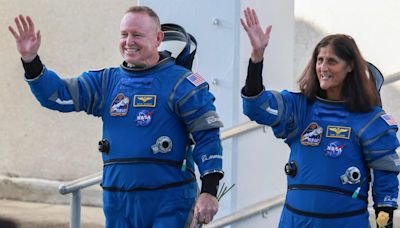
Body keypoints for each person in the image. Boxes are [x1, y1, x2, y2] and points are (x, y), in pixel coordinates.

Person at [9, 6, 224, 227]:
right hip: (118, 203)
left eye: (137, 35)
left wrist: (209, 191)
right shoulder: (106, 82)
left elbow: (207, 137)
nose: (129, 41)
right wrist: (31, 61)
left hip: (170, 203)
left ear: (158, 38)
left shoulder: (183, 84)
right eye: (124, 34)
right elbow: (58, 95)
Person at [240, 8, 399, 228]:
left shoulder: (370, 120)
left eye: (331, 61)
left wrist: (386, 221)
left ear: (350, 66)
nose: (323, 68)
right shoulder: (299, 108)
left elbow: (386, 177)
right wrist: (257, 58)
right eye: (319, 60)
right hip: (295, 222)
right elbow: (256, 107)